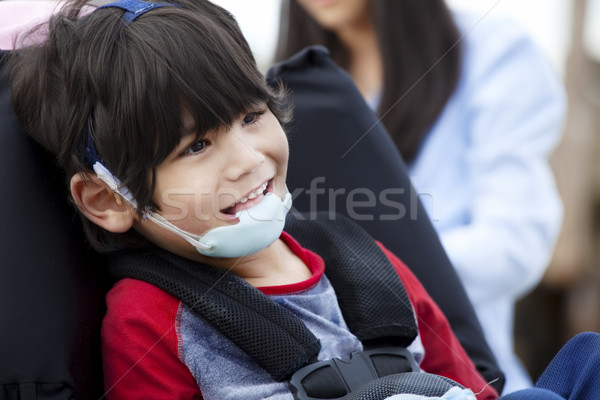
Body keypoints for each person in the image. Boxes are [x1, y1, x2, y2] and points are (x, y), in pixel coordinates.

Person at [7, 1, 499, 399]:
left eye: (251, 117)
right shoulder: (149, 323)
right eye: (196, 146)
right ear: (108, 199)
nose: (247, 159)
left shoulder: (368, 262)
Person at [276, 0, 566, 393]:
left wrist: (370, 273)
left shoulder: (490, 48)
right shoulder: (289, 89)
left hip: (468, 372)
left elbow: (513, 245)